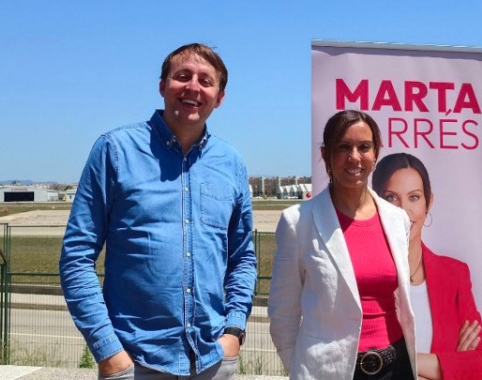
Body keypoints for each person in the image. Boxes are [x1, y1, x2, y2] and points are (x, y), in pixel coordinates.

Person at [59, 43, 257, 380]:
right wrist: (108, 351)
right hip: (135, 362)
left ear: (219, 97)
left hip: (212, 359)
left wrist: (234, 331)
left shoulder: (231, 163)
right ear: (162, 86)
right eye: (183, 77)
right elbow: (76, 256)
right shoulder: (115, 150)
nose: (194, 87)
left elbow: (243, 258)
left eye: (206, 81)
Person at [268, 110, 417, 380]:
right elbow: (283, 313)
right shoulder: (298, 222)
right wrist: (301, 368)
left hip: (396, 366)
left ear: (376, 153)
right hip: (329, 371)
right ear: (326, 155)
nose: (355, 157)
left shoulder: (397, 219)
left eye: (364, 147)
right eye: (343, 147)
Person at [372, 152, 482, 380]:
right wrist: (449, 366)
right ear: (374, 204)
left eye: (414, 197)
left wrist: (407, 360)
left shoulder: (454, 275)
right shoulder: (363, 277)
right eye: (391, 198)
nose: (403, 210)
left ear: (428, 201)